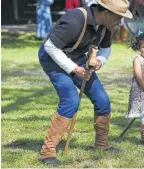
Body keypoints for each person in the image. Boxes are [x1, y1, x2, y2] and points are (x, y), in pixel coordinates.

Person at [38, 0, 133, 166]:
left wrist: (100, 61)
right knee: (71, 101)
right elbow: (50, 46)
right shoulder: (75, 18)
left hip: (78, 60)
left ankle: (102, 144)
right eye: (118, 17)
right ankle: (47, 152)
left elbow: (105, 48)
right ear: (106, 13)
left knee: (103, 100)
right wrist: (73, 68)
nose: (120, 22)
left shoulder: (104, 25)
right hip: (53, 59)